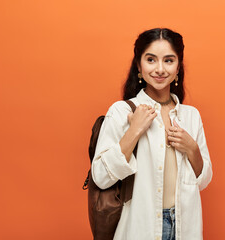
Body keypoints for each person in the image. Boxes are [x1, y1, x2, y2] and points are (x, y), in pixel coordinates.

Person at [91, 28, 213, 240]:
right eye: (151, 60)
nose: (160, 69)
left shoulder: (191, 116)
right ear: (139, 65)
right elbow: (100, 177)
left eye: (168, 60)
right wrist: (134, 131)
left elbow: (203, 181)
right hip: (141, 227)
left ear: (178, 68)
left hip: (185, 227)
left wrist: (192, 148)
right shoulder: (122, 112)